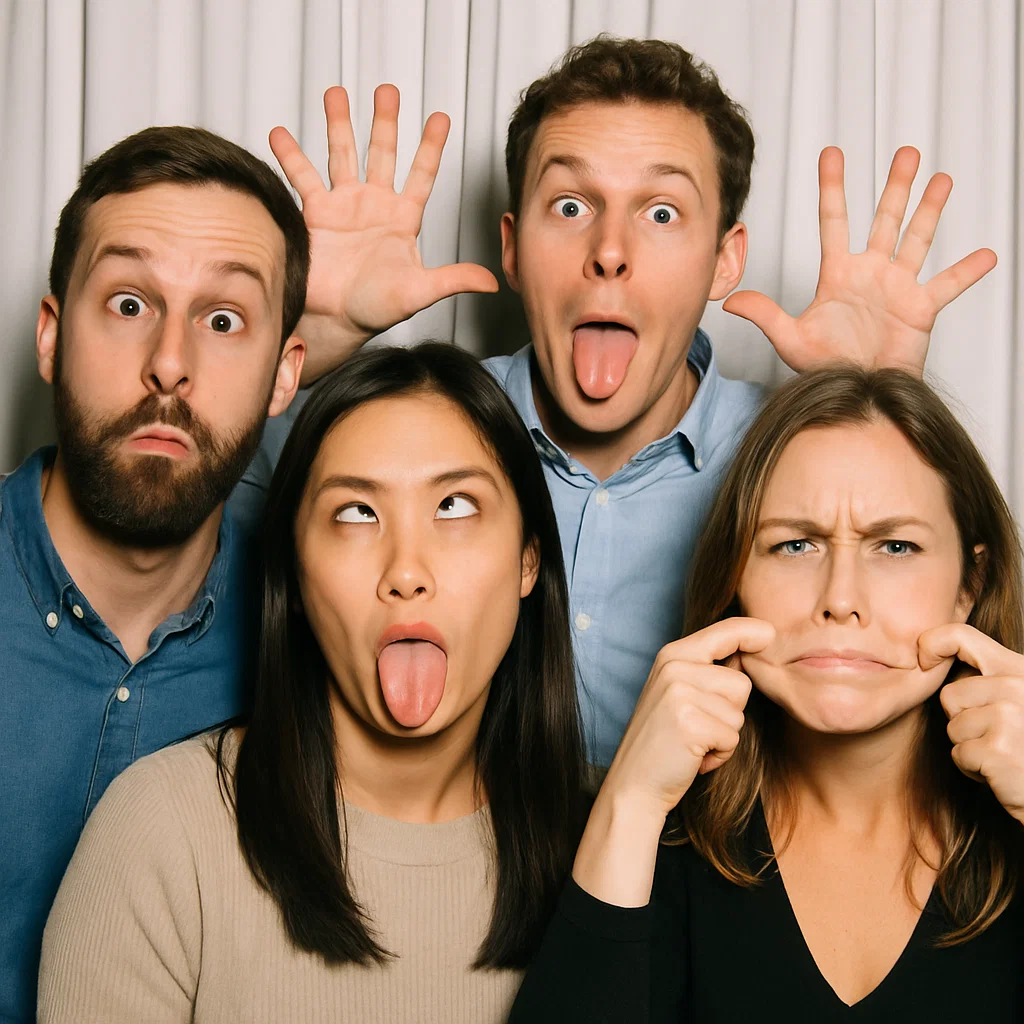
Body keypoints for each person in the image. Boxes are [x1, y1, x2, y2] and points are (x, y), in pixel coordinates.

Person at [276, 36, 997, 766]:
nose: (610, 249)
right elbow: (225, 519)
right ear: (514, 247)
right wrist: (308, 341)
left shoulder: (786, 469)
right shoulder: (414, 433)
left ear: (725, 259)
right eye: (568, 204)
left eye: (661, 213)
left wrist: (871, 418)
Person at [37, 343, 586, 1023]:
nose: (407, 570)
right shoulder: (162, 834)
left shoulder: (610, 841)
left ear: (529, 561)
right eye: (356, 513)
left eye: (454, 506)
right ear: (293, 577)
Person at [509, 365, 1024, 1021]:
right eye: (795, 544)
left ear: (969, 585)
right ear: (735, 577)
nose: (840, 600)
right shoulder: (655, 841)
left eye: (895, 546)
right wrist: (630, 803)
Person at [0, 126, 314, 1022]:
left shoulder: (316, 618)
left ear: (286, 373)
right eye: (131, 303)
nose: (170, 364)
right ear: (52, 336)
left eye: (224, 322)